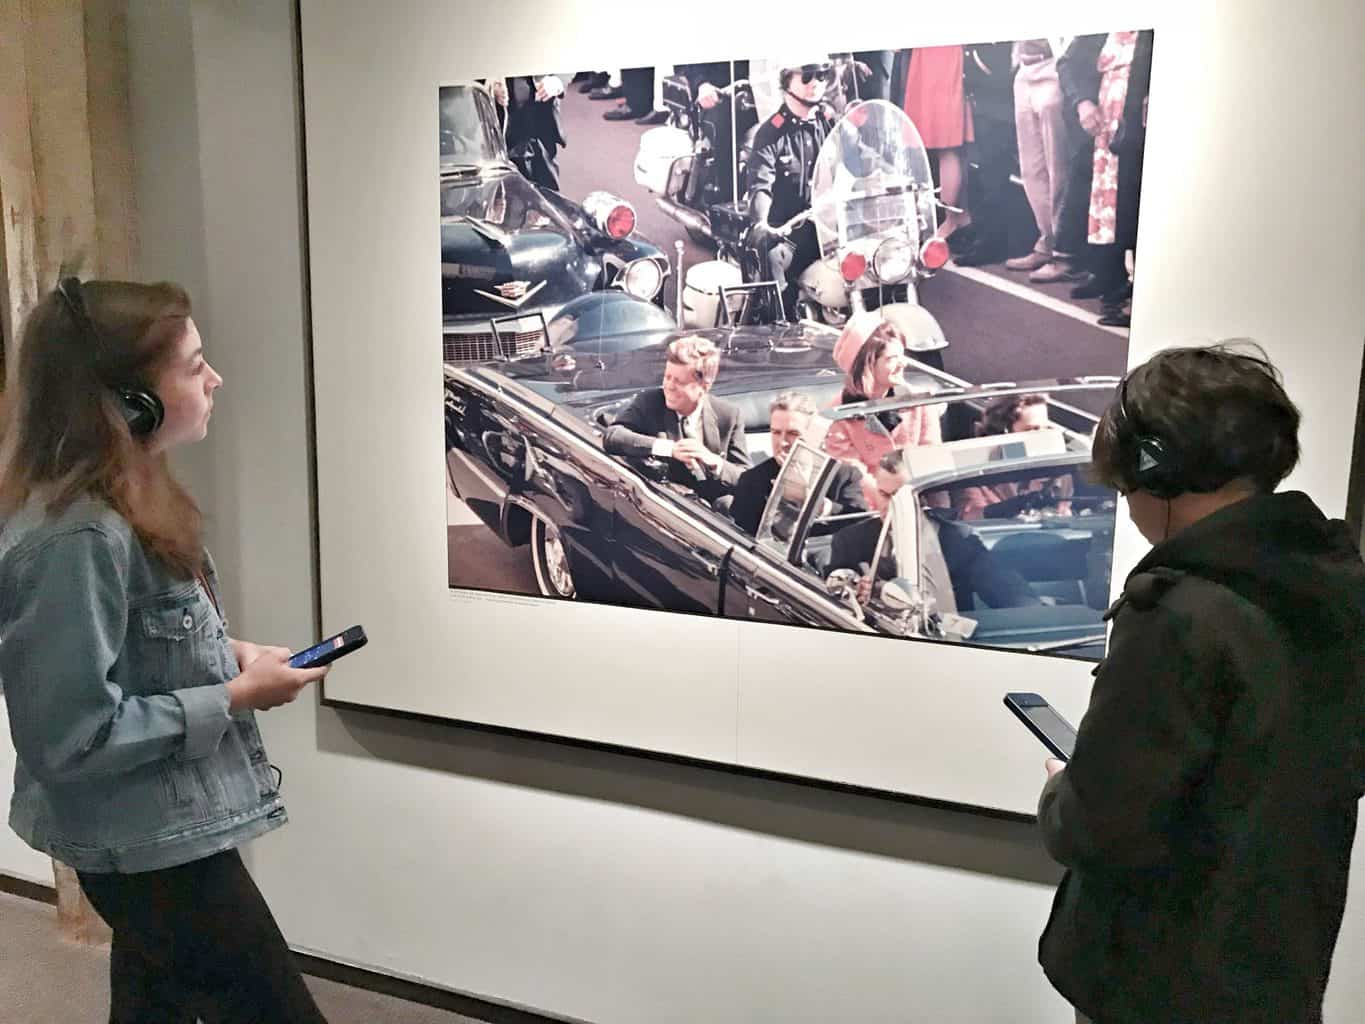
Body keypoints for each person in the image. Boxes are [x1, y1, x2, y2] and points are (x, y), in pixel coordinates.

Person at [0, 277, 333, 1021]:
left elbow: (144, 641)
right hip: (143, 847)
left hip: (158, 829)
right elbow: (70, 736)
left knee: (155, 1008)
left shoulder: (129, 498)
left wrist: (234, 652)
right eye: (193, 365)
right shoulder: (77, 536)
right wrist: (237, 696)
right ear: (128, 403)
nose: (214, 378)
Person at [1036, 342, 1365, 1024]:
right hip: (1278, 969)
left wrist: (1061, 787)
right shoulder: (1333, 586)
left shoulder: (1178, 613)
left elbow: (1098, 829)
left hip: (1157, 982)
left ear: (1151, 466)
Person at [602, 335, 750, 503]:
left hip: (712, 518)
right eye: (667, 377)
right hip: (665, 507)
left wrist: (715, 462)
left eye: (679, 381)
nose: (669, 386)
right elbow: (612, 437)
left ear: (704, 387)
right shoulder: (651, 403)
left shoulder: (729, 415)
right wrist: (670, 449)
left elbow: (748, 479)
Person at [745, 58, 834, 318]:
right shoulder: (771, 133)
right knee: (772, 256)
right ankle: (780, 326)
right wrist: (762, 222)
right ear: (786, 81)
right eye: (807, 75)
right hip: (789, 232)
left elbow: (854, 158)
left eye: (821, 74)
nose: (815, 82)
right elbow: (761, 184)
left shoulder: (827, 121)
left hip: (827, 229)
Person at [823, 313, 943, 477]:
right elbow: (854, 481)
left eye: (903, 355)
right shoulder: (837, 415)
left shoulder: (918, 401)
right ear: (867, 365)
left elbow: (933, 463)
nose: (903, 363)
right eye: (892, 358)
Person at [730, 391, 866, 535]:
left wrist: (811, 500)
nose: (782, 442)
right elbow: (744, 539)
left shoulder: (843, 476)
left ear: (813, 435)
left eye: (793, 433)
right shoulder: (752, 481)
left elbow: (860, 528)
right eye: (776, 433)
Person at [953, 392, 1074, 519]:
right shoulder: (972, 472)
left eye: (1046, 428)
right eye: (1033, 429)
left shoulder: (1059, 471)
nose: (1043, 436)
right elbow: (971, 516)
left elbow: (1066, 510)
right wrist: (1014, 506)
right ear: (1005, 433)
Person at [490, 74, 567, 191]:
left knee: (548, 197)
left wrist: (558, 81)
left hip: (540, 131)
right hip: (499, 136)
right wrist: (488, 87)